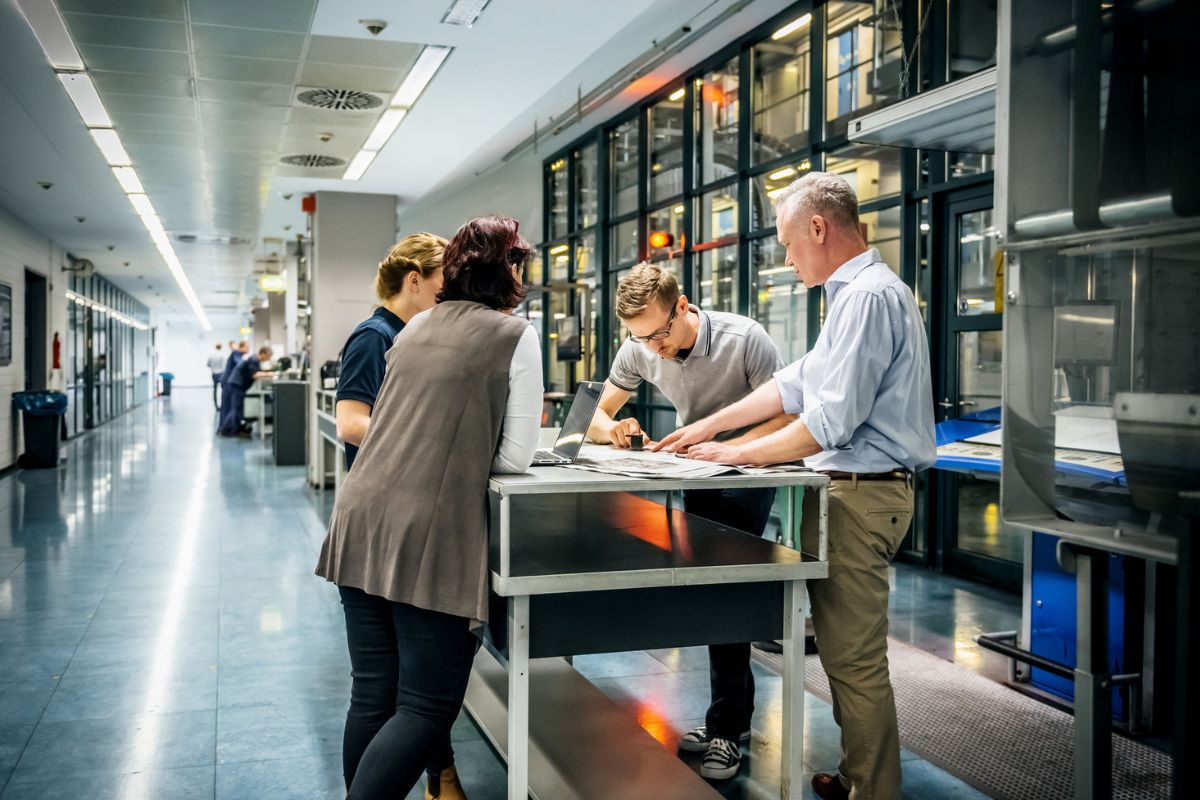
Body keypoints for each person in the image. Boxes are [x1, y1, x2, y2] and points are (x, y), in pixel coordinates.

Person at [656, 172, 937, 800]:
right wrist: (705, 427)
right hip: (852, 495)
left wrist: (732, 455)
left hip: (861, 497)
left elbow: (828, 422)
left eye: (788, 243)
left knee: (854, 661)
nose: (785, 259)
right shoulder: (855, 297)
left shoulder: (866, 298)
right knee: (842, 654)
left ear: (819, 228)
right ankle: (859, 774)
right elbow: (793, 384)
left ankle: (873, 791)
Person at [315, 216, 542, 800]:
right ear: (509, 273)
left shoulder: (410, 330)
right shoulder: (514, 334)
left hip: (361, 519)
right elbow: (515, 458)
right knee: (424, 707)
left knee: (373, 692)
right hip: (429, 533)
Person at [584, 261, 786, 781]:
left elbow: (787, 414)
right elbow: (595, 414)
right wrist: (615, 429)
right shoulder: (639, 347)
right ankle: (732, 720)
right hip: (694, 469)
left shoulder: (746, 339)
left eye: (658, 333)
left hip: (749, 472)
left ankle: (725, 727)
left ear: (683, 306)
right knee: (705, 591)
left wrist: (725, 450)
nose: (651, 348)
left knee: (728, 591)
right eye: (639, 338)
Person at [336, 232, 448, 471]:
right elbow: (350, 424)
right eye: (444, 282)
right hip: (378, 483)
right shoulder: (374, 336)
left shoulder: (409, 335)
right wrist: (424, 445)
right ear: (414, 281)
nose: (448, 295)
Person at [219, 346, 272, 437]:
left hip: (238, 384)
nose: (269, 358)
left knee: (237, 408)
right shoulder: (253, 360)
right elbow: (255, 374)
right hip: (237, 384)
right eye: (269, 356)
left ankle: (233, 429)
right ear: (263, 354)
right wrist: (270, 374)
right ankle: (227, 430)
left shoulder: (255, 360)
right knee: (236, 408)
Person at [217, 340, 248, 429]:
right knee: (227, 405)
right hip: (228, 382)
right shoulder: (236, 353)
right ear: (242, 347)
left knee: (229, 405)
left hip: (228, 381)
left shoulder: (238, 354)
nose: (248, 349)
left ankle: (227, 427)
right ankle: (224, 428)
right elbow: (240, 364)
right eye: (247, 347)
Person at [206, 343, 227, 409]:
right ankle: (223, 404)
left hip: (214, 374)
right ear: (221, 347)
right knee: (223, 389)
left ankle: (216, 406)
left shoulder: (211, 355)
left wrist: (214, 367)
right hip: (221, 374)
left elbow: (208, 364)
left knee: (215, 389)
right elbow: (224, 366)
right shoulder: (223, 355)